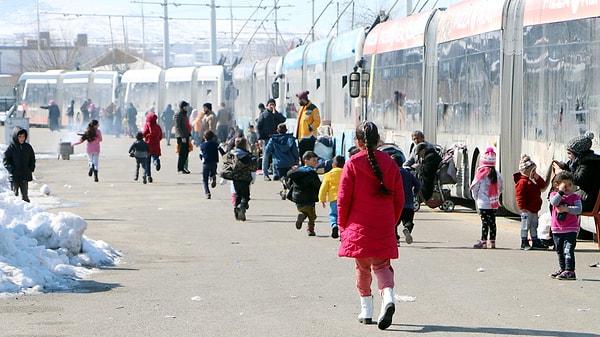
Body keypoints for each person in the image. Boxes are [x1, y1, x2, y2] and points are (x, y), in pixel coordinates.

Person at [337, 121, 404, 330]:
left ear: (357, 142)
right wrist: (391, 222)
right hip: (383, 225)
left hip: (358, 227)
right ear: (378, 141)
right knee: (382, 266)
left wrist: (342, 225)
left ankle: (366, 310)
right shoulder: (391, 164)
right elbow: (399, 198)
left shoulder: (352, 163)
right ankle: (389, 297)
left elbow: (343, 198)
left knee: (362, 268)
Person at [552, 132, 600, 212]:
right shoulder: (583, 161)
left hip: (589, 200)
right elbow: (572, 171)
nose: (568, 156)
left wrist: (561, 172)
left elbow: (578, 179)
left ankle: (565, 224)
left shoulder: (588, 164)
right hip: (586, 197)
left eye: (570, 153)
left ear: (578, 153)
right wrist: (563, 166)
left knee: (560, 201)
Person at [548, 171, 582, 280]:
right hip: (557, 229)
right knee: (559, 251)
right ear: (557, 185)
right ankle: (563, 268)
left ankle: (570, 270)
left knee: (568, 250)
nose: (567, 188)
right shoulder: (554, 195)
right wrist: (561, 192)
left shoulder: (575, 197)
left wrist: (566, 209)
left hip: (570, 229)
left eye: (570, 185)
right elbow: (554, 202)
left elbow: (579, 209)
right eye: (564, 185)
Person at [471, 147, 504, 249]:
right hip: (493, 203)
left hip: (483, 203)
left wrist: (476, 198)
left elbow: (474, 187)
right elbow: (501, 187)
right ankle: (492, 242)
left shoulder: (480, 173)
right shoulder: (498, 174)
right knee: (493, 222)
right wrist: (496, 195)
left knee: (485, 222)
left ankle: (483, 242)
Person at [513, 154, 547, 250]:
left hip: (534, 208)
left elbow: (543, 185)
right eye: (533, 171)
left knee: (534, 224)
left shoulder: (533, 181)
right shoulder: (522, 182)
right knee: (525, 225)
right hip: (526, 208)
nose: (534, 173)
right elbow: (520, 196)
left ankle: (535, 240)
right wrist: (522, 208)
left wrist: (536, 176)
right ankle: (524, 241)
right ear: (528, 171)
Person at [285, 151, 321, 236]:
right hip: (310, 197)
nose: (316, 162)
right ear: (306, 161)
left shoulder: (296, 172)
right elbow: (317, 184)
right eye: (314, 160)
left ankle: (301, 215)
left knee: (302, 210)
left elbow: (290, 183)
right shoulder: (312, 172)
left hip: (298, 197)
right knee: (312, 216)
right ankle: (310, 229)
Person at [391, 153, 421, 246]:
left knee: (394, 224)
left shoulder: (391, 174)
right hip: (409, 203)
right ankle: (407, 228)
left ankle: (396, 240)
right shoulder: (408, 174)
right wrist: (415, 193)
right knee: (408, 221)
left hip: (396, 204)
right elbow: (418, 184)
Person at [264, 123, 299, 198]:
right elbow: (295, 151)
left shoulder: (273, 140)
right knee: (288, 177)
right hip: (290, 162)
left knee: (282, 177)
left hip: (279, 163)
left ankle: (284, 189)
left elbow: (267, 151)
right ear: (286, 130)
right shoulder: (291, 139)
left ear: (277, 131)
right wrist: (297, 159)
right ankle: (284, 192)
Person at [3, 126, 36, 202]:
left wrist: (31, 168)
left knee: (25, 196)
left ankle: (26, 210)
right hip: (15, 176)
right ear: (15, 137)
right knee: (14, 195)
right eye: (20, 136)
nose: (22, 138)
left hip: (24, 175)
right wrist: (11, 169)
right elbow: (6, 159)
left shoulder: (27, 147)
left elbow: (32, 158)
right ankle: (15, 211)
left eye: (23, 136)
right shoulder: (12, 147)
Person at [257, 98, 286, 180]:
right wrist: (260, 138)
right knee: (266, 155)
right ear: (267, 106)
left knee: (275, 156)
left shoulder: (276, 114)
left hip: (276, 138)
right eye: (270, 105)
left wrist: (275, 113)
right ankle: (265, 173)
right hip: (267, 138)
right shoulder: (263, 115)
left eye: (273, 105)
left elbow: (283, 120)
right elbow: (259, 126)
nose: (271, 106)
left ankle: (275, 173)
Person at [229, 137, 256, 221]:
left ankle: (236, 209)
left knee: (238, 195)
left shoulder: (232, 154)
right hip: (245, 179)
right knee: (245, 196)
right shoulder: (247, 155)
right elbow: (252, 168)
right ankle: (241, 207)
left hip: (235, 179)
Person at [318, 155, 345, 239]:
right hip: (345, 198)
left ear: (333, 165)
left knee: (333, 214)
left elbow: (323, 188)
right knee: (344, 215)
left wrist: (322, 199)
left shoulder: (328, 175)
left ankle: (334, 225)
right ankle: (342, 232)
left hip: (334, 199)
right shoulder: (346, 172)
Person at [200, 130, 225, 199]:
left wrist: (202, 159)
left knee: (205, 180)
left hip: (206, 163)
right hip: (214, 162)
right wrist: (225, 156)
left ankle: (207, 193)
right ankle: (212, 177)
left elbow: (200, 154)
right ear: (213, 137)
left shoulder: (202, 145)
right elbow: (222, 151)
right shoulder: (216, 144)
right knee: (213, 172)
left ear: (204, 137)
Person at [295, 91, 321, 160]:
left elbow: (317, 121)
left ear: (303, 99)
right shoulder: (302, 109)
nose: (298, 101)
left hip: (309, 138)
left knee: (309, 157)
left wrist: (310, 128)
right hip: (301, 137)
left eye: (299, 99)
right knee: (302, 157)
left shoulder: (313, 108)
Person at [142, 111, 163, 183]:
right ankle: (156, 162)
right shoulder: (158, 126)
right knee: (155, 158)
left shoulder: (147, 125)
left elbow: (144, 133)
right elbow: (160, 136)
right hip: (156, 145)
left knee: (147, 162)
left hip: (148, 145)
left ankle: (149, 176)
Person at [174, 101, 192, 174]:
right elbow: (177, 126)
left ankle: (183, 168)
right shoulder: (178, 114)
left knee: (186, 152)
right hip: (182, 136)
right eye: (185, 106)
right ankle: (180, 168)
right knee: (182, 153)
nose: (187, 107)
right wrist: (182, 136)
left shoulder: (184, 114)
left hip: (186, 135)